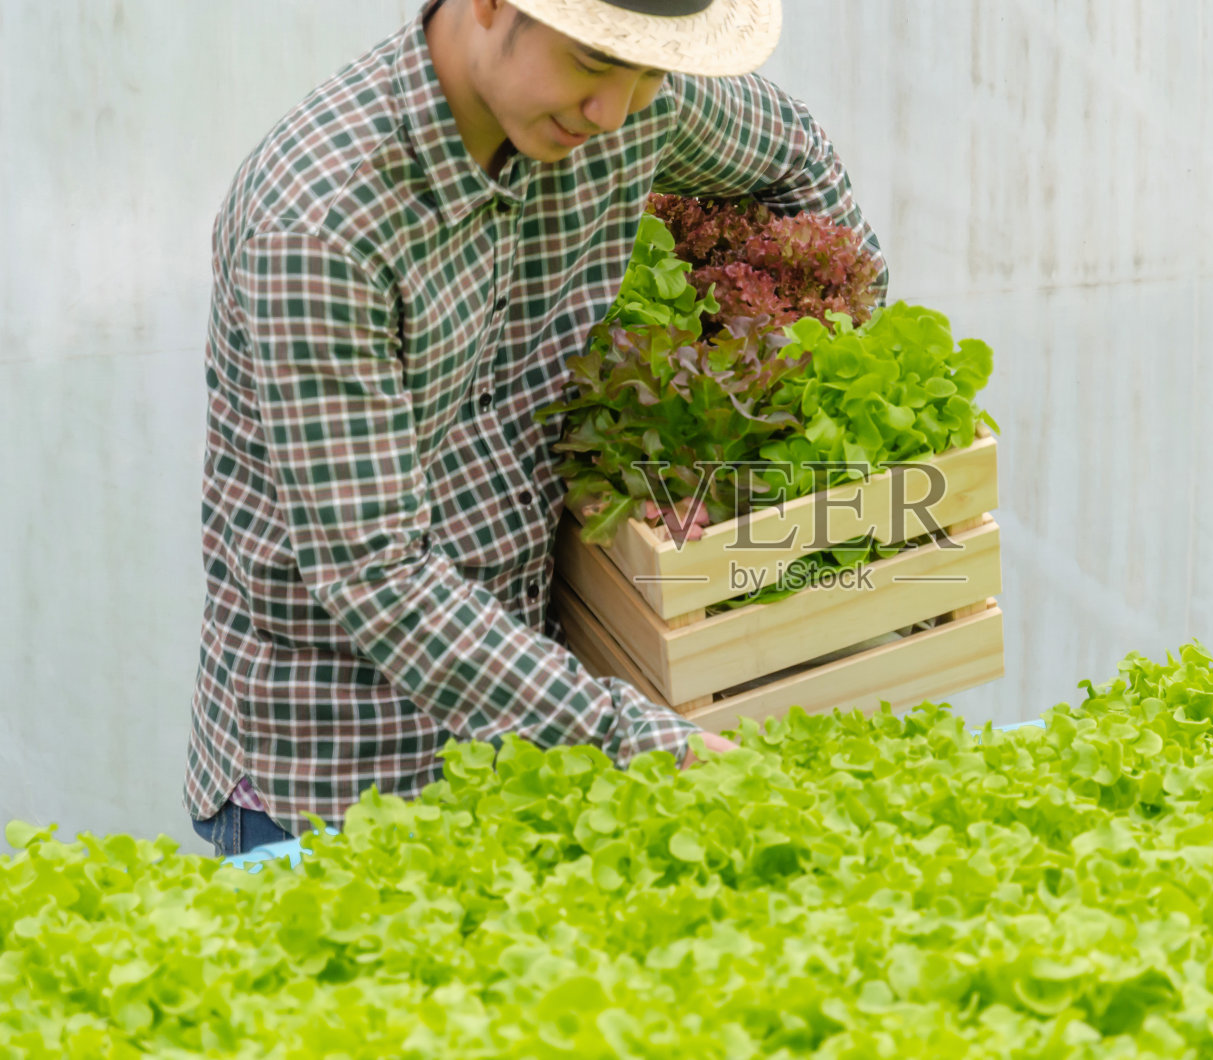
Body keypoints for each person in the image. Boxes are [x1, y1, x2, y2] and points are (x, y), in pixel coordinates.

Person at [185, 0, 886, 857]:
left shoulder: (629, 111)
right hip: (337, 771)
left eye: (652, 73)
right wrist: (651, 746)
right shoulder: (323, 223)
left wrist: (827, 366)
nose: (615, 111)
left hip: (539, 743)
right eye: (594, 61)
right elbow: (378, 574)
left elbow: (794, 153)